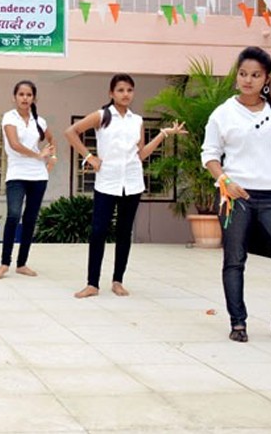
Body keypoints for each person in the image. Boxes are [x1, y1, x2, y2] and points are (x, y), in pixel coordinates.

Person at [201, 46, 271, 344]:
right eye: (243, 74)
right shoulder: (223, 113)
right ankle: (238, 322)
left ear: (266, 78)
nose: (248, 80)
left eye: (255, 75)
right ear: (237, 76)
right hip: (236, 196)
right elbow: (209, 156)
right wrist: (225, 181)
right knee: (235, 260)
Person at [65, 74, 185, 299]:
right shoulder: (102, 116)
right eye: (120, 90)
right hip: (107, 182)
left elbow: (140, 155)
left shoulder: (136, 120)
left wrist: (162, 135)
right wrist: (90, 157)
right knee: (99, 231)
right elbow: (71, 132)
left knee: (123, 232)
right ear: (111, 93)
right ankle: (92, 284)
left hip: (132, 183)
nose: (125, 94)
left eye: (129, 90)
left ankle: (118, 280)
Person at [0, 80, 56, 280]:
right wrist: (38, 155)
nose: (25, 98)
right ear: (15, 97)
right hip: (17, 175)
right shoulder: (9, 117)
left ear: (34, 98)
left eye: (28, 95)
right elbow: (14, 144)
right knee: (13, 215)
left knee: (30, 219)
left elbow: (52, 141)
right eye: (21, 94)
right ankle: (4, 263)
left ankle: (22, 264)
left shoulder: (40, 121)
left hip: (38, 176)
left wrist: (51, 157)